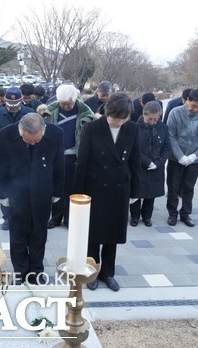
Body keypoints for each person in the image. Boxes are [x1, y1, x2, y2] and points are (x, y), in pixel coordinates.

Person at [74, 92, 141, 292]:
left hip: (120, 188)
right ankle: (91, 271)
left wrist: (136, 191)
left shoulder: (132, 128)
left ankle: (108, 273)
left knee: (113, 234)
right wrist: (78, 195)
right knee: (93, 234)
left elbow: (135, 160)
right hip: (95, 188)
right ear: (107, 112)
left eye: (123, 119)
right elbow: (82, 162)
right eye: (115, 118)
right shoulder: (92, 128)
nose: (119, 122)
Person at [0, 113, 65, 285]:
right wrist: (2, 194)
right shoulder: (5, 134)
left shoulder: (56, 133)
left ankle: (36, 270)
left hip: (42, 192)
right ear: (21, 132)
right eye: (29, 141)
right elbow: (1, 164)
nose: (33, 143)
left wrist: (57, 192)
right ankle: (20, 271)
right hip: (16, 193)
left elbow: (59, 164)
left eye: (37, 140)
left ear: (44, 130)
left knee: (39, 234)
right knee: (18, 235)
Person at [39, 84, 94, 229]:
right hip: (55, 155)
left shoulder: (85, 113)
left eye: (68, 104)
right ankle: (55, 218)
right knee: (57, 187)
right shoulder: (49, 112)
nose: (65, 106)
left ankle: (70, 219)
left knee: (72, 188)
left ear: (74, 100)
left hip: (75, 156)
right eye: (63, 104)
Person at [166, 89, 198, 227]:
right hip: (176, 158)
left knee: (188, 187)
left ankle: (185, 213)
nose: (197, 109)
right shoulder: (175, 113)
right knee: (173, 187)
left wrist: (194, 156)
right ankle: (172, 213)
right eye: (194, 105)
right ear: (187, 100)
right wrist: (180, 156)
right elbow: (171, 136)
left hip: (194, 159)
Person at [0, 87, 34, 230]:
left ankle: (23, 216)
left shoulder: (30, 114)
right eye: (10, 103)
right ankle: (7, 218)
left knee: (23, 189)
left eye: (16, 104)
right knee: (5, 189)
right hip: (4, 159)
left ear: (21, 101)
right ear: (5, 101)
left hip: (25, 158)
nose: (13, 107)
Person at [130, 101, 171, 227]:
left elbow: (167, 148)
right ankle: (135, 216)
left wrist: (158, 162)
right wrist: (147, 162)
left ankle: (147, 216)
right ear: (143, 115)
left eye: (155, 119)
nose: (153, 122)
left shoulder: (163, 128)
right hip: (139, 166)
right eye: (149, 119)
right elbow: (133, 148)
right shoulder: (134, 127)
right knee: (136, 192)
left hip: (156, 166)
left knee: (151, 194)